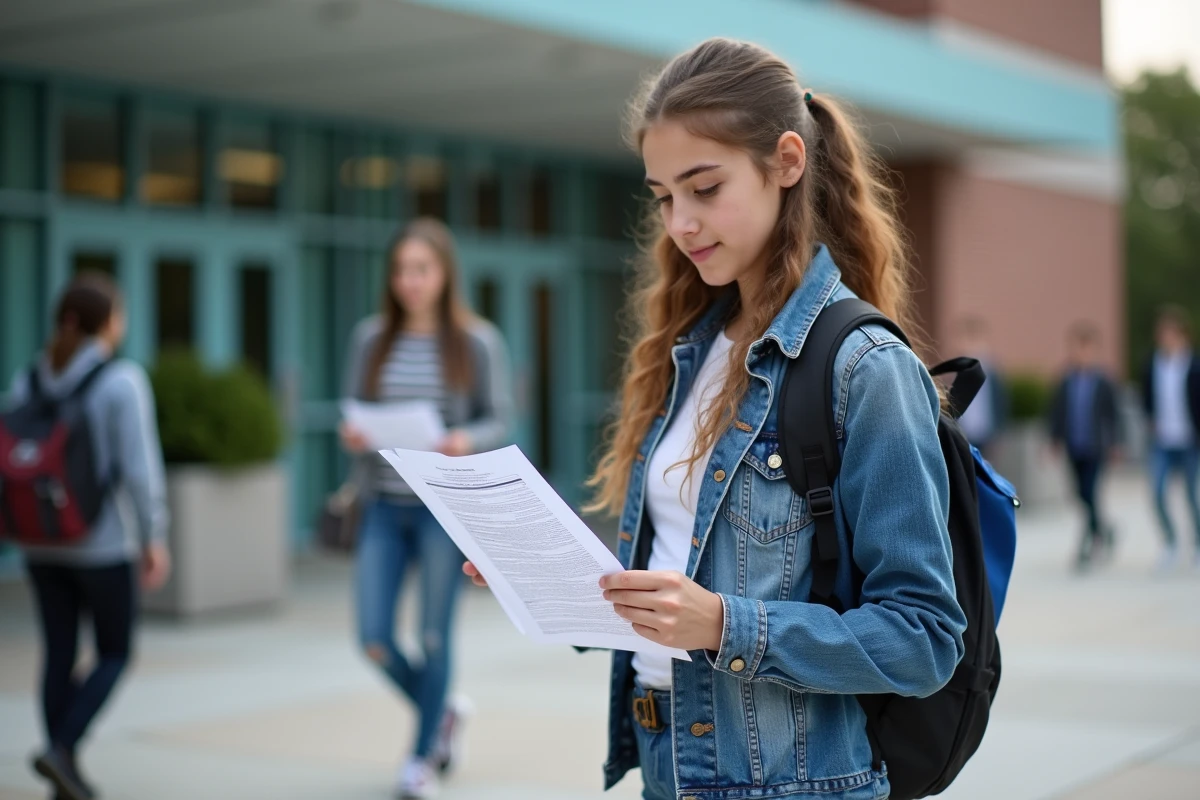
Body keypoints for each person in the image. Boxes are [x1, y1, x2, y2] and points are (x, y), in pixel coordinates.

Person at [465, 39, 966, 800]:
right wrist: (544, 581)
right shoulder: (691, 351)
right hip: (669, 762)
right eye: (664, 196)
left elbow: (925, 638)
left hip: (790, 783)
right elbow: (685, 566)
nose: (681, 223)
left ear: (787, 161)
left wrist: (724, 626)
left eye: (704, 187)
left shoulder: (864, 367)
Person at [339, 217, 512, 799]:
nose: (410, 282)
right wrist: (357, 435)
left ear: (444, 275)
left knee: (435, 637)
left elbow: (500, 419)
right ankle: (441, 713)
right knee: (374, 637)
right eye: (401, 271)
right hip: (383, 508)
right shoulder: (371, 338)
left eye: (422, 270)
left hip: (444, 510)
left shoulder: (476, 341)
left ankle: (419, 760)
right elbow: (356, 409)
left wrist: (465, 439)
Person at [3, 272, 171, 800]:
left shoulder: (28, 378)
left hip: (38, 542)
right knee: (115, 651)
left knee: (58, 652)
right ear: (109, 322)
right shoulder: (121, 380)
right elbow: (140, 472)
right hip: (99, 543)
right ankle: (62, 750)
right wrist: (154, 535)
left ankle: (63, 769)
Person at [1049, 323, 1122, 570]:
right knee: (1079, 494)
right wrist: (1054, 440)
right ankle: (1105, 530)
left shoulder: (1103, 381)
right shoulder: (1066, 380)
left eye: (1086, 348)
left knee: (1090, 492)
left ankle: (1086, 545)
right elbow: (1057, 412)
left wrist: (1115, 443)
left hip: (1096, 446)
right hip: (1074, 446)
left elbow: (1113, 415)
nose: (1082, 353)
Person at [1141, 305, 1200, 571]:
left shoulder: (1194, 366)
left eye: (1171, 334)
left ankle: (1197, 544)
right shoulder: (1153, 365)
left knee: (1191, 495)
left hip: (1189, 439)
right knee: (1157, 491)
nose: (1166, 339)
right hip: (1162, 440)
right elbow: (1147, 398)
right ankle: (1170, 542)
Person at [955, 316, 1008, 457]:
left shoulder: (991, 371)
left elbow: (999, 403)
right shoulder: (957, 369)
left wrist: (998, 434)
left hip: (985, 433)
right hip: (963, 432)